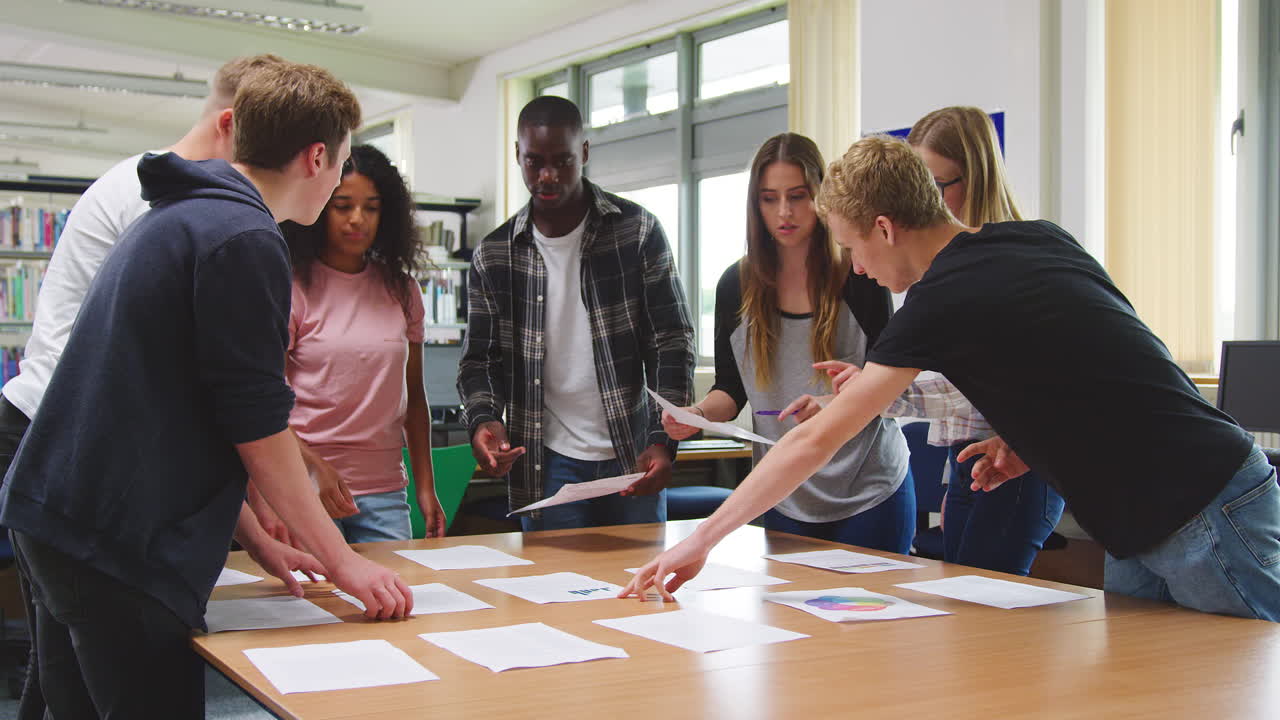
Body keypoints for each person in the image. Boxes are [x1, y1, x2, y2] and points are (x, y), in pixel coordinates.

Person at [621, 134, 1280, 624]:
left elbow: (814, 441)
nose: (857, 265)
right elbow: (1096, 362)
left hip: (1204, 505)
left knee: (1248, 678)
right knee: (1162, 688)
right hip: (1139, 520)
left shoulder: (940, 301)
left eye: (854, 245)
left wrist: (704, 538)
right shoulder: (1036, 238)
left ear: (885, 226)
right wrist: (1024, 441)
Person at [0, 60, 414, 717]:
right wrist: (346, 564)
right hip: (114, 544)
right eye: (340, 165)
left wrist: (258, 538)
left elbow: (196, 407)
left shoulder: (190, 214)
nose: (339, 179)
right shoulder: (242, 237)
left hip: (62, 519)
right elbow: (257, 426)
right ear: (316, 158)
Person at [0, 53, 286, 720]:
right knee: (80, 668)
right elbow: (200, 398)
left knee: (69, 666)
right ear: (231, 125)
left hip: (75, 447)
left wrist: (253, 524)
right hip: (67, 448)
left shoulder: (167, 189)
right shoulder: (175, 207)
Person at [819, 107, 1066, 575]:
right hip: (971, 456)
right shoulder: (936, 274)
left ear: (975, 178)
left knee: (985, 599)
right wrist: (876, 388)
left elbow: (988, 387)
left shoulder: (1009, 261)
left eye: (933, 184)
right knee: (966, 591)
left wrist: (883, 394)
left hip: (1017, 457)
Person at [660, 132, 914, 552]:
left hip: (870, 490)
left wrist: (832, 407)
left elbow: (886, 384)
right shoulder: (735, 285)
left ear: (820, 195)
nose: (784, 212)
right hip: (784, 493)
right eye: (768, 198)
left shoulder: (860, 272)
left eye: (797, 196)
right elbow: (731, 390)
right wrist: (699, 414)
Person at [458, 95, 695, 531]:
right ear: (517, 155)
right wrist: (484, 419)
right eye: (534, 162)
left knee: (637, 589)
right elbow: (480, 360)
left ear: (584, 153)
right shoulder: (495, 254)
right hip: (546, 461)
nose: (547, 176)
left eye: (562, 161)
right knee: (555, 590)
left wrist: (663, 440)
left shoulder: (636, 231)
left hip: (633, 453)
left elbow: (672, 341)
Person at [277, 144, 444, 542]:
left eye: (370, 207)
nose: (358, 219)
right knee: (313, 605)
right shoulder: (292, 287)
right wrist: (311, 467)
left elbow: (415, 399)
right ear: (319, 208)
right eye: (343, 206)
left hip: (385, 490)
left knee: (396, 602)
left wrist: (425, 486)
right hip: (308, 487)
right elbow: (265, 401)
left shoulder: (402, 290)